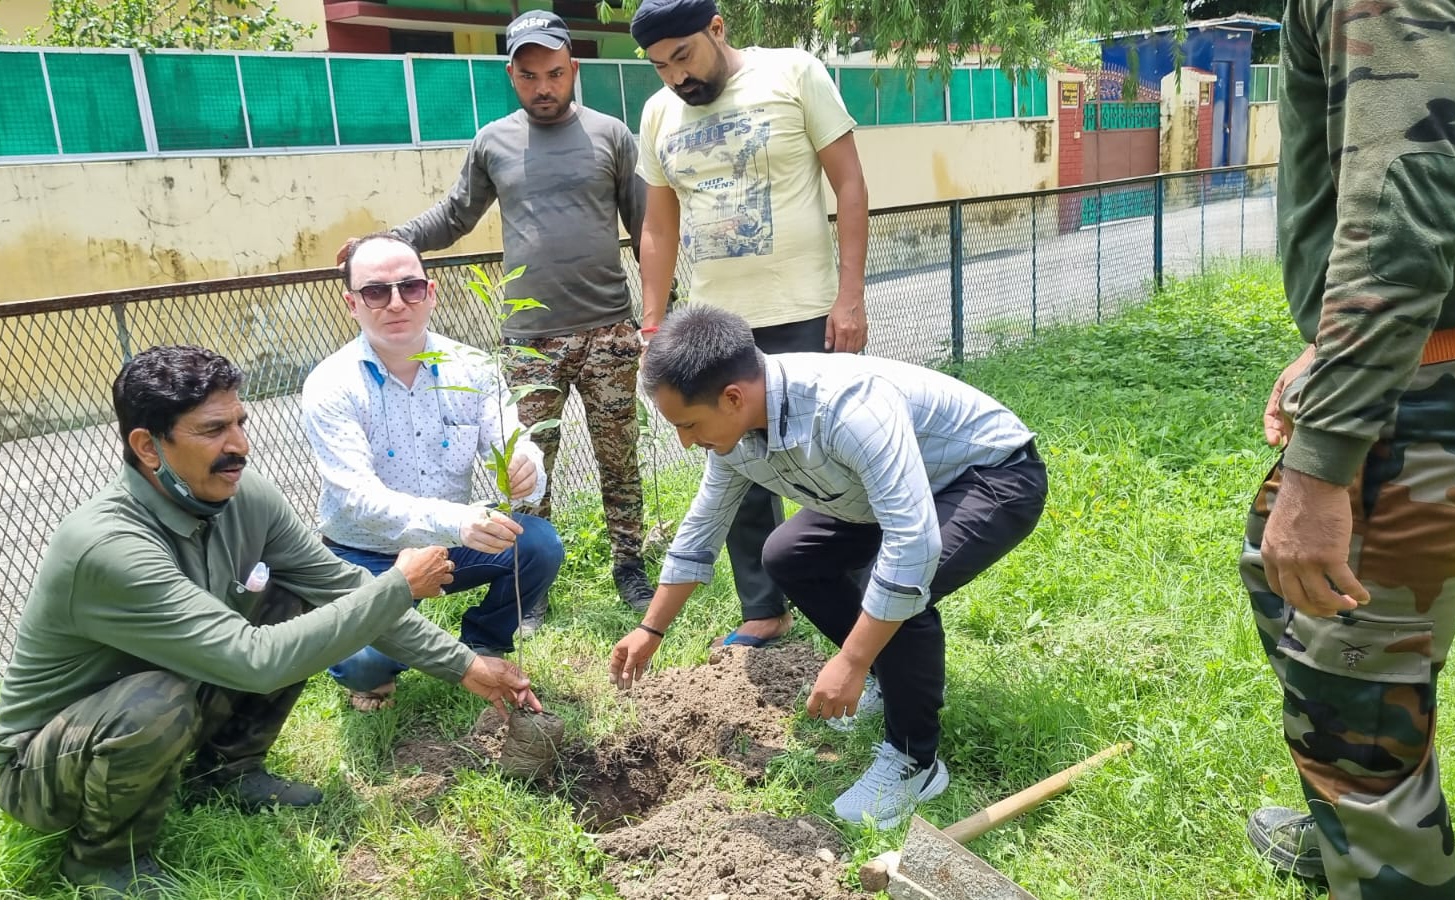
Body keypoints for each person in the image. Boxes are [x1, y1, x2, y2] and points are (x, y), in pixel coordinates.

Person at [0, 345, 540, 898]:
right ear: (148, 447)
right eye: (213, 430)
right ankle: (103, 861)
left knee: (289, 595)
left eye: (239, 422)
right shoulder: (108, 547)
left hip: (174, 686)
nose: (239, 447)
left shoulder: (241, 497)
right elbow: (255, 661)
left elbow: (340, 587)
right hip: (47, 766)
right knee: (154, 701)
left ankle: (225, 774)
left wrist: (467, 665)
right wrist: (398, 585)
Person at [1241, 2, 1455, 896]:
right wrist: (1338, 346)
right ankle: (1354, 840)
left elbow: (1403, 207)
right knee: (1271, 565)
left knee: (1350, 695)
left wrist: (1325, 461)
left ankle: (1377, 845)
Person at [608, 305, 1047, 828]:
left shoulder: (846, 408)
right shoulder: (735, 433)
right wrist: (650, 628)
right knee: (788, 555)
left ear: (732, 398)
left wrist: (852, 660)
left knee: (895, 594)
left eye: (688, 424)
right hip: (878, 492)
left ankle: (915, 759)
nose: (685, 440)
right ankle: (892, 675)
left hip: (987, 476)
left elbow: (912, 549)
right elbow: (701, 530)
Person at [389, 10, 655, 614]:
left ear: (573, 69)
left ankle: (630, 567)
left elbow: (646, 231)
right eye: (531, 75)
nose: (544, 87)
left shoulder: (611, 135)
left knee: (620, 459)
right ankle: (529, 582)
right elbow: (455, 215)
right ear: (512, 75)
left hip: (609, 330)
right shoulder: (493, 142)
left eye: (556, 73)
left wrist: (660, 319)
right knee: (527, 468)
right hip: (531, 340)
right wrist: (391, 242)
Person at [628, 0, 871, 648]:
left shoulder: (793, 74)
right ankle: (764, 611)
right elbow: (657, 223)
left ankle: (857, 610)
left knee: (835, 464)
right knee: (732, 463)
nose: (675, 76)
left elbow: (848, 182)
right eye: (659, 66)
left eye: (683, 56)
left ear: (716, 29)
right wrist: (654, 323)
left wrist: (850, 296)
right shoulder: (658, 115)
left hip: (806, 310)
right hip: (714, 325)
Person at [302, 234, 566, 712]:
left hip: (454, 544)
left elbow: (512, 437)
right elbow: (358, 498)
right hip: (369, 554)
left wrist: (527, 465)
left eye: (410, 287)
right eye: (376, 292)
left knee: (538, 544)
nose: (396, 302)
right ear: (352, 304)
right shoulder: (332, 385)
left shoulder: (473, 367)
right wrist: (458, 521)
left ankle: (484, 644)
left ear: (432, 292)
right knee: (363, 665)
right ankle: (381, 662)